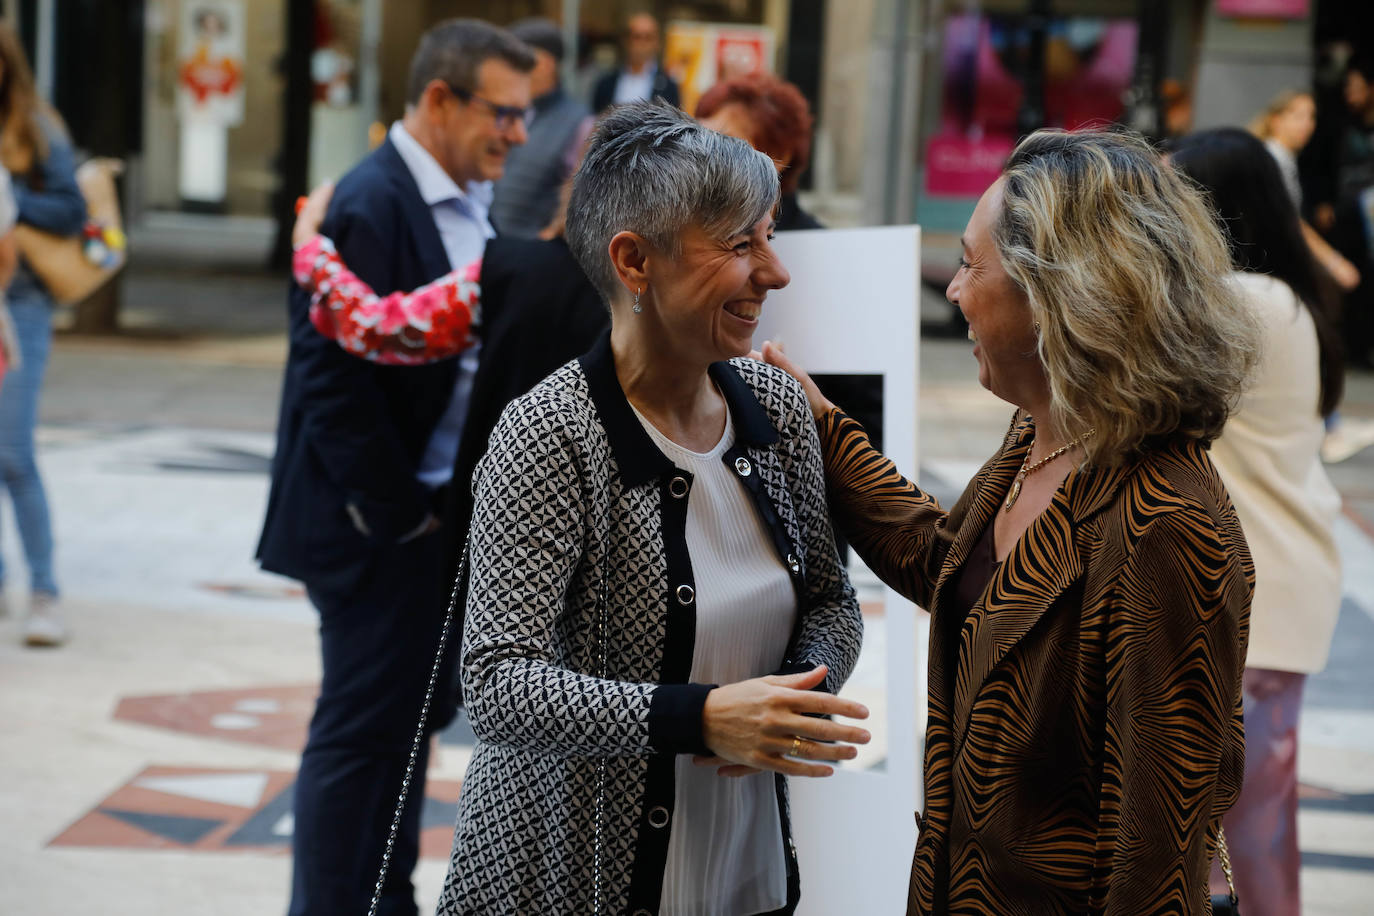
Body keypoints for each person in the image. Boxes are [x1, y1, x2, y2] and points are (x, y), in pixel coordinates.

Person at [765, 128, 1257, 913]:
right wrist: (822, 423)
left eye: (969, 263)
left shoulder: (1166, 522)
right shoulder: (1042, 431)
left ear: (1058, 296)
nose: (954, 290)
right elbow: (947, 565)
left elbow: (1156, 857)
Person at [426, 101, 866, 916]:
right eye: (741, 244)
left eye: (769, 236)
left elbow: (833, 601)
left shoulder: (777, 408)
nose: (774, 272)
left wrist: (796, 695)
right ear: (634, 261)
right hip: (565, 879)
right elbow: (494, 683)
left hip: (746, 875)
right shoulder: (551, 433)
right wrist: (701, 718)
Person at [255, 19, 534, 916]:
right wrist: (397, 515)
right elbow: (333, 383)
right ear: (442, 99)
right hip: (378, 526)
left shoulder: (467, 197)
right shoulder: (370, 203)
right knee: (362, 734)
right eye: (505, 113)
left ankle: (384, 899)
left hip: (426, 518)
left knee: (403, 733)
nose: (519, 135)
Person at [1170, 128, 1345, 916]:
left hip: (1255, 599)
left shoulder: (1244, 300)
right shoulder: (1285, 299)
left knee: (1241, 831)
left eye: (1174, 200)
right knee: (1250, 823)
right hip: (1273, 591)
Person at [0, 26, 83, 648]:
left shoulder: (35, 126)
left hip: (19, 301)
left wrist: (8, 203)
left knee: (13, 450)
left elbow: (70, 211)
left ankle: (45, 590)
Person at [490, 18, 593, 238]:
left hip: (531, 260)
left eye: (517, 59)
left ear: (545, 63)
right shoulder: (505, 110)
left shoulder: (580, 124)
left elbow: (576, 204)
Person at [695, 74, 821, 232]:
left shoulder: (818, 244)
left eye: (726, 143)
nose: (704, 153)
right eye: (698, 138)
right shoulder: (675, 232)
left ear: (778, 157)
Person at [591, 12, 680, 113]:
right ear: (626, 41)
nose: (642, 44)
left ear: (657, 43)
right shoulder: (606, 83)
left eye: (648, 38)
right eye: (637, 37)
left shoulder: (668, 87)